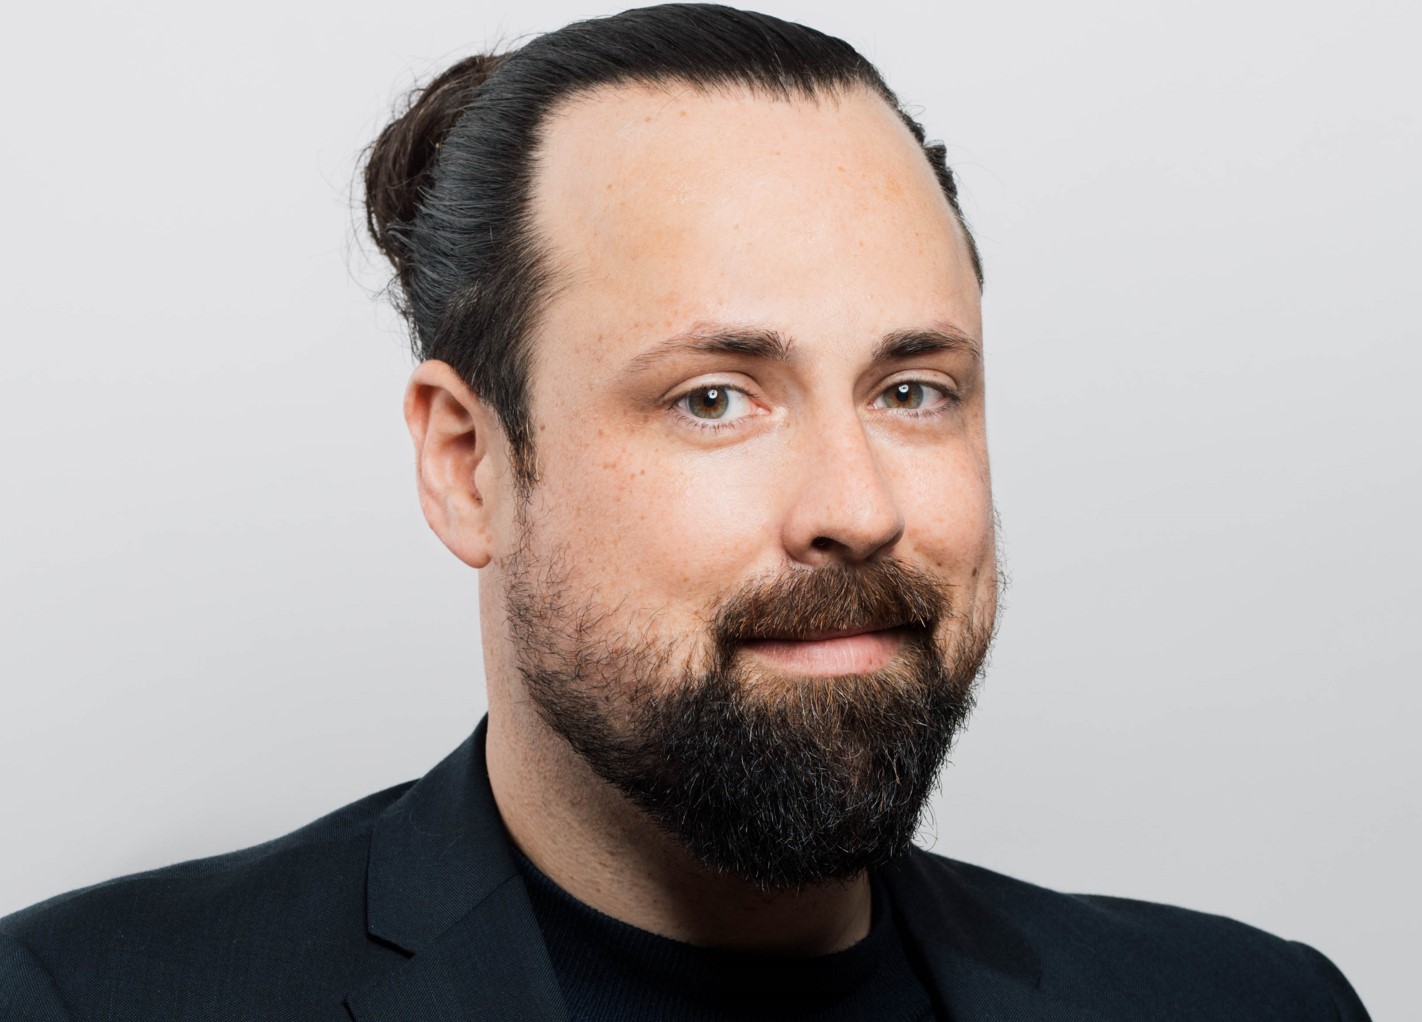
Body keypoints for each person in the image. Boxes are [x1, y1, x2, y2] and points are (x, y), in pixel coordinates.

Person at [0, 5, 1372, 1019]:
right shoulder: (86, 999)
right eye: (714, 398)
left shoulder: (1253, 1002)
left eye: (911, 389)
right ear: (469, 465)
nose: (856, 508)